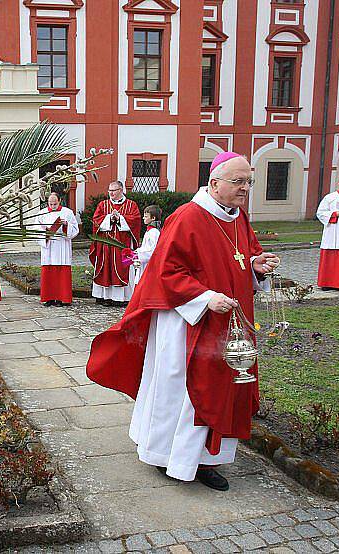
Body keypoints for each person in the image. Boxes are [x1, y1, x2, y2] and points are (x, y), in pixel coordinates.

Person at [86, 152, 279, 492]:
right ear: (214, 183)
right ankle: (167, 456)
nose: (245, 188)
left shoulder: (239, 218)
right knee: (183, 390)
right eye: (238, 182)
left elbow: (242, 258)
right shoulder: (187, 217)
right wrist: (205, 298)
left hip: (229, 323)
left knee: (223, 385)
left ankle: (207, 459)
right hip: (186, 322)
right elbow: (167, 271)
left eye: (249, 181)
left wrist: (255, 267)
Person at [90, 181, 141, 305]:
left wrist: (120, 219)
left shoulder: (131, 205)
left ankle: (122, 298)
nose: (111, 193)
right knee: (105, 268)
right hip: (105, 244)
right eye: (109, 190)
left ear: (121, 190)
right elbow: (96, 220)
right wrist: (109, 218)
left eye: (114, 190)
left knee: (123, 266)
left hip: (123, 245)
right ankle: (104, 297)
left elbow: (136, 220)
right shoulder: (103, 205)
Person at [37, 192, 79, 307]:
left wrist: (66, 225)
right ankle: (49, 298)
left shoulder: (67, 212)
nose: (52, 206)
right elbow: (36, 229)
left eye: (55, 204)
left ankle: (62, 298)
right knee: (48, 272)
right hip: (49, 246)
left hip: (62, 246)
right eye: (50, 204)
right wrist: (45, 232)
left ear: (59, 201)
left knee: (62, 272)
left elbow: (75, 229)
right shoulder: (42, 213)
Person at [132, 205, 162, 286]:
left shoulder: (154, 232)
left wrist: (137, 254)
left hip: (149, 267)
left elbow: (153, 251)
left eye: (146, 216)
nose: (143, 218)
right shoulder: (149, 231)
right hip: (145, 265)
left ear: (153, 218)